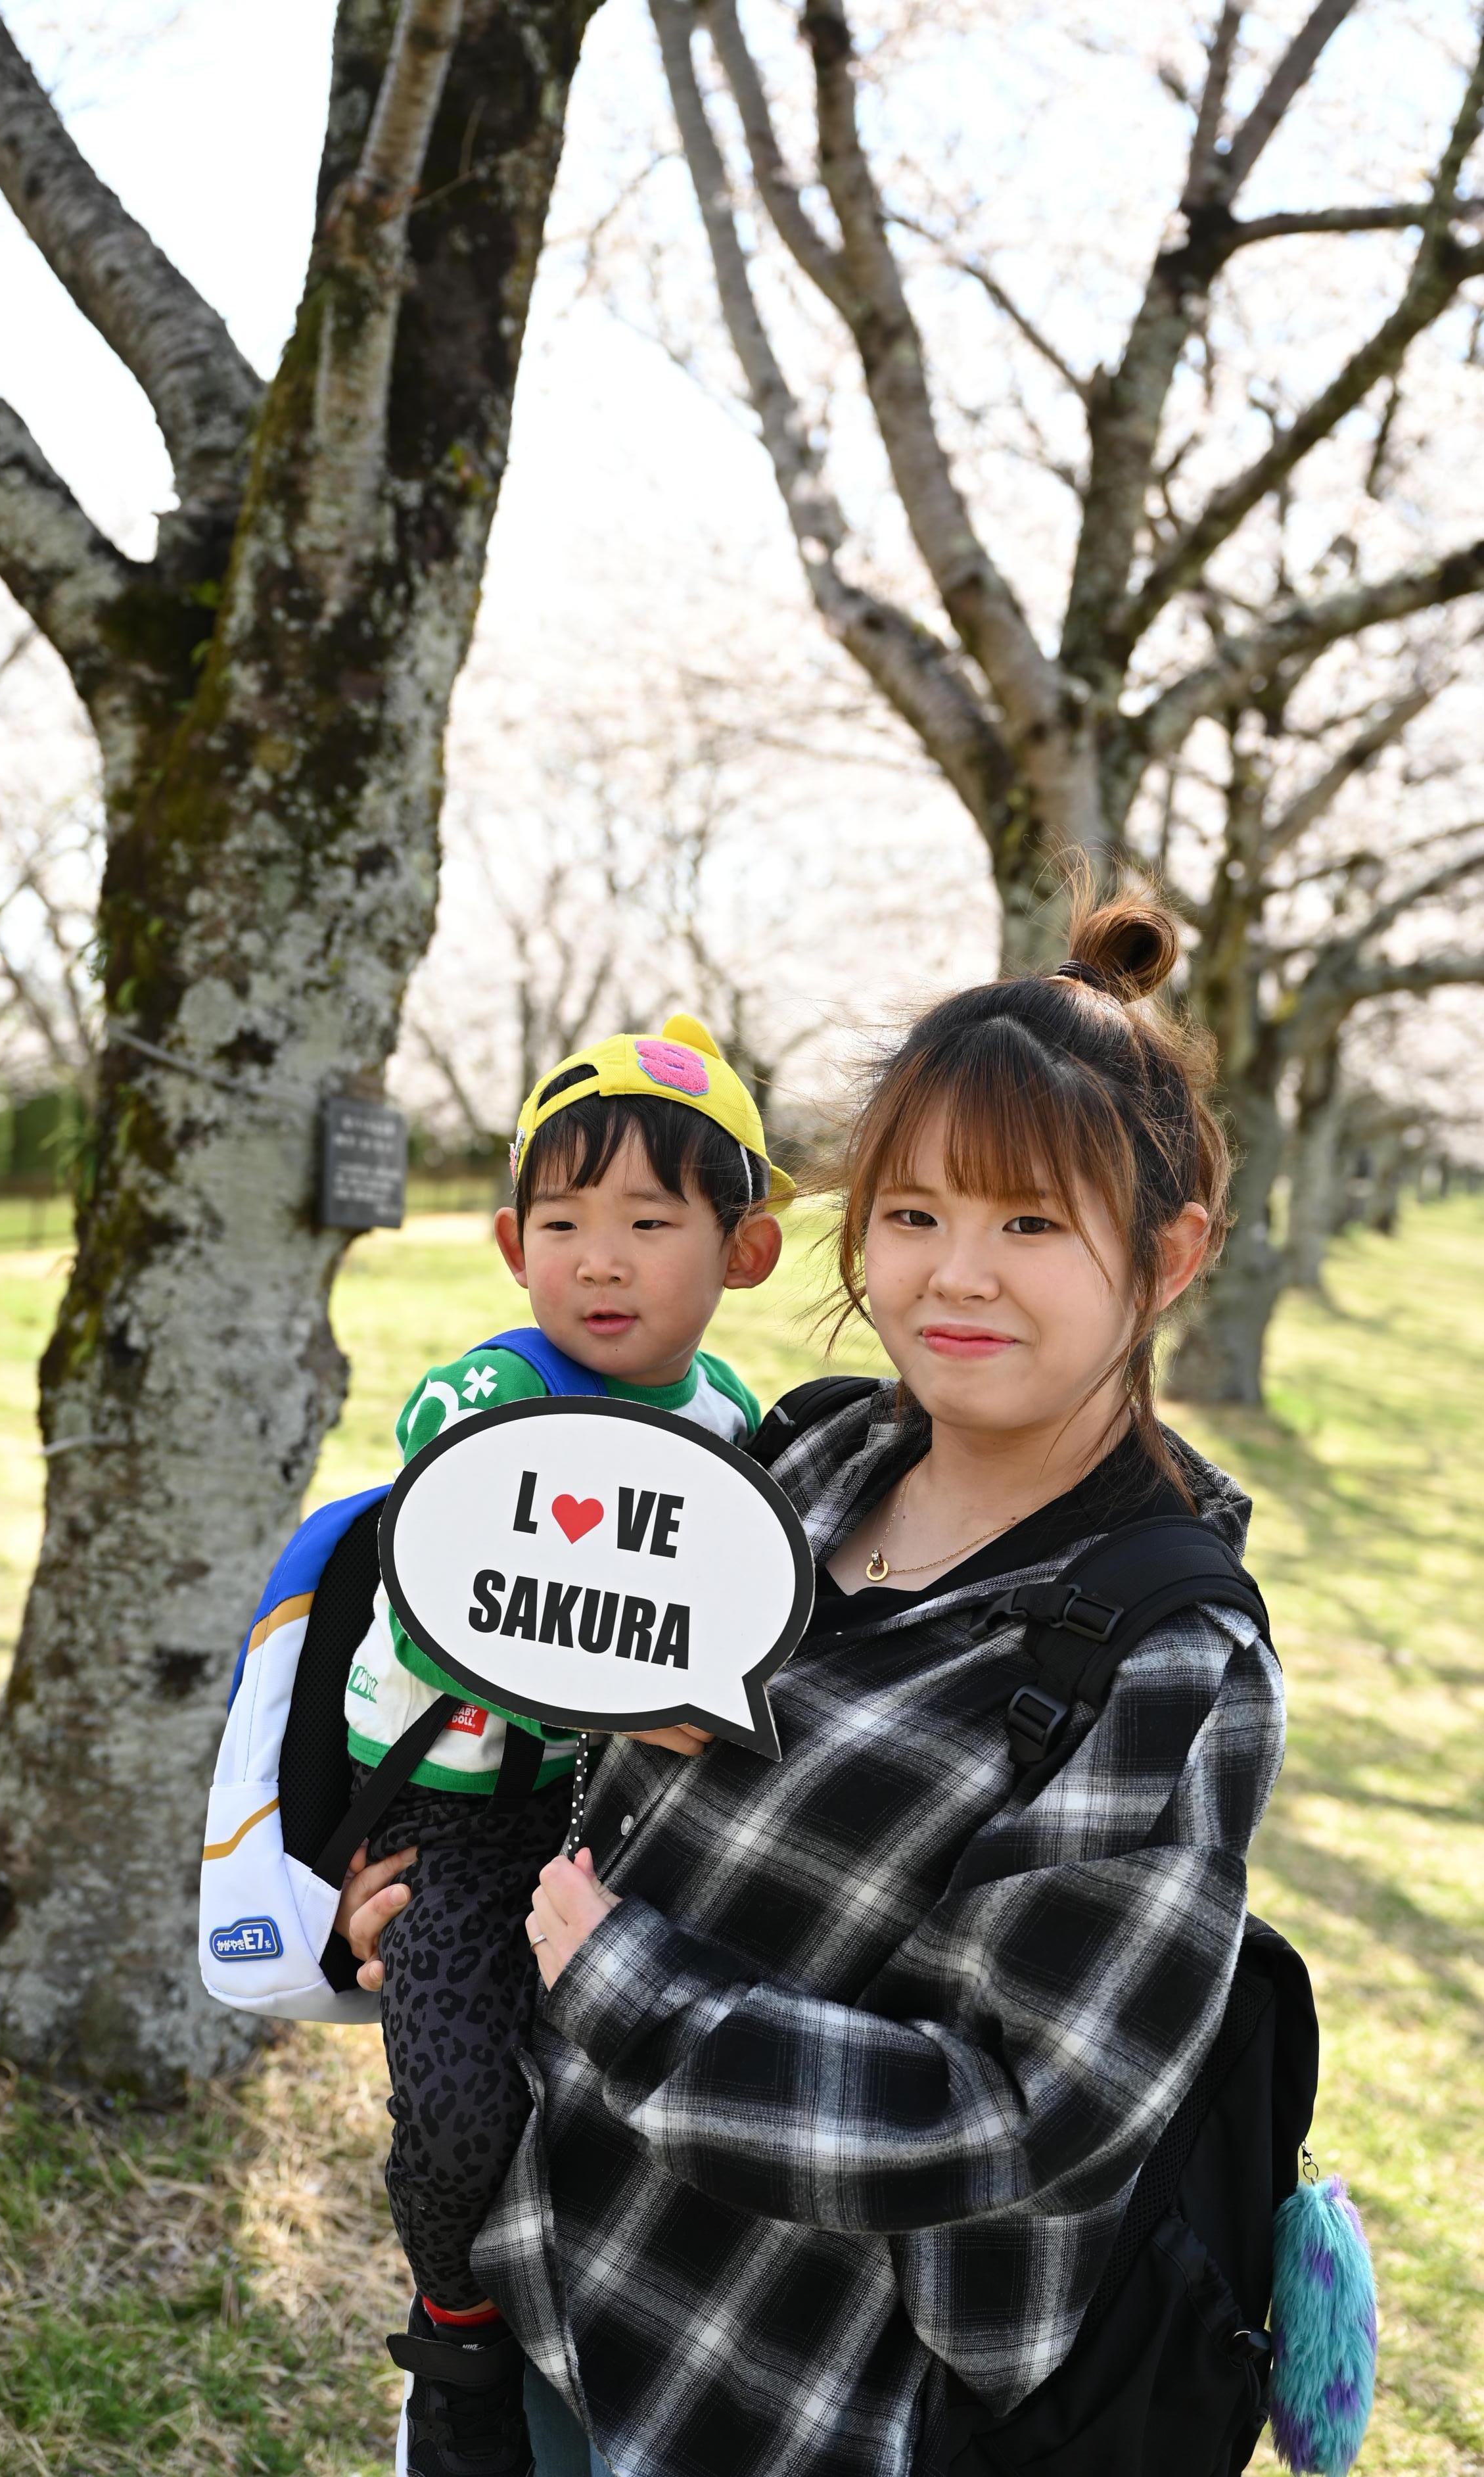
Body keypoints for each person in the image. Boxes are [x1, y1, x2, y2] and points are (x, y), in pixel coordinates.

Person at [459, 895, 1287, 2477]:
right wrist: (455, 1891)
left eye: (1031, 1225)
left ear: (1169, 1255)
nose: (954, 1277)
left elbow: (1025, 2120)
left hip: (778, 2397)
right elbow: (609, 1802)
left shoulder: (1172, 1659)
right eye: (911, 1214)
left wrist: (629, 1992)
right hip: (529, 2277)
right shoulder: (801, 1461)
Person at [334, 1014, 789, 2477]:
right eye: (564, 1222)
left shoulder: (733, 1424)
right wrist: (603, 1701)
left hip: (624, 1805)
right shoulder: (485, 1404)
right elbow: (438, 1612)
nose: (602, 1259)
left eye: (652, 1224)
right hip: (459, 1809)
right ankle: (453, 2326)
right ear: (509, 1244)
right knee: (460, 2102)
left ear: (745, 1252)